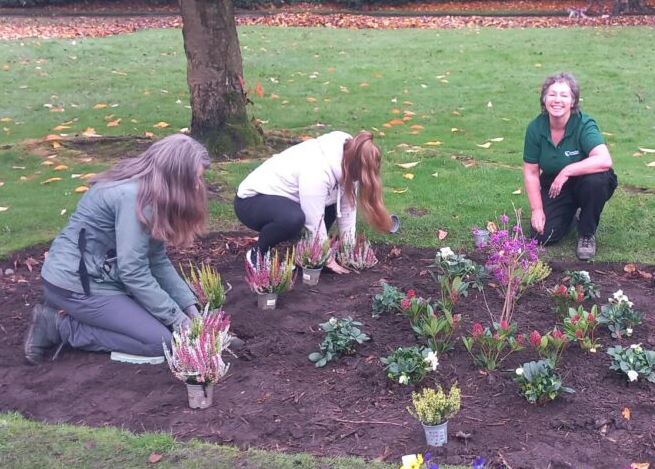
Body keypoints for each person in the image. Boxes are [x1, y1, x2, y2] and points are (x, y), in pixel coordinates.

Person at [24, 134, 214, 364]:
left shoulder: (147, 190)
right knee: (163, 343)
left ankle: (71, 315)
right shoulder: (134, 199)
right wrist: (179, 321)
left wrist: (189, 309)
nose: (197, 185)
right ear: (175, 175)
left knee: (170, 325)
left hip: (98, 277)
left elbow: (156, 260)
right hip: (76, 284)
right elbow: (133, 271)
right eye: (194, 178)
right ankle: (58, 326)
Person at [233, 130, 393, 273]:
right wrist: (328, 260)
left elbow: (347, 210)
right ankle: (257, 254)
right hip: (252, 201)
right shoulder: (317, 170)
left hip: (286, 201)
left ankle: (308, 252)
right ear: (353, 165)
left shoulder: (349, 160)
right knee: (293, 219)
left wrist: (348, 251)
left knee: (329, 204)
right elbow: (313, 219)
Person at [523, 73, 618, 260]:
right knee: (542, 236)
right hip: (555, 186)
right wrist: (537, 209)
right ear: (544, 99)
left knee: (597, 181)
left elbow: (604, 160)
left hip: (586, 180)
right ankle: (570, 216)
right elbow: (531, 172)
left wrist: (567, 171)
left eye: (564, 95)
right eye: (552, 94)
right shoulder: (535, 128)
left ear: (573, 101)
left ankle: (587, 233)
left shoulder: (585, 124)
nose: (557, 100)